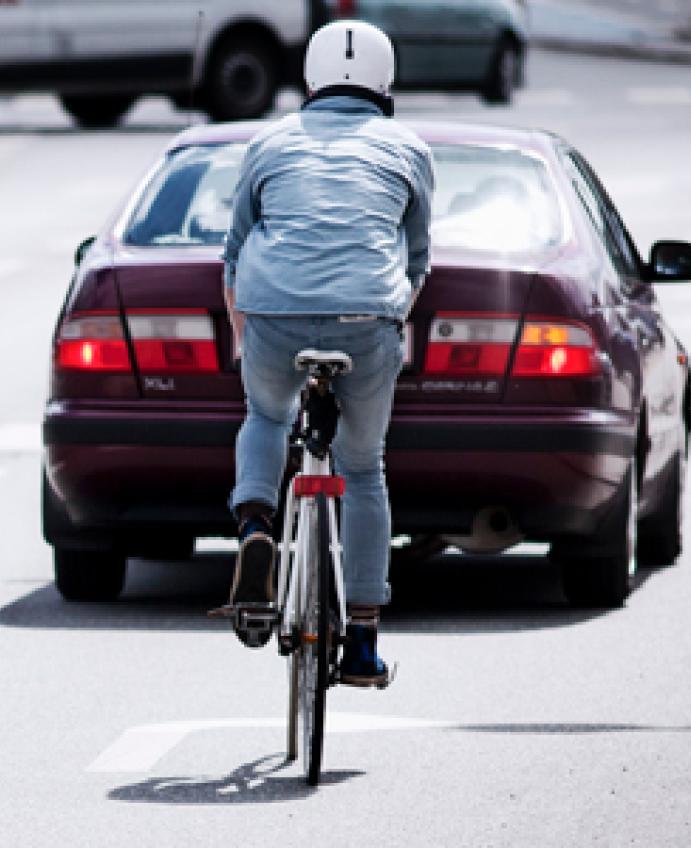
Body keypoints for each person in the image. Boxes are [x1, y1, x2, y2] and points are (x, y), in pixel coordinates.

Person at [221, 19, 434, 687]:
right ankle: (364, 637)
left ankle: (256, 521)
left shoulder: (268, 142)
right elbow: (419, 257)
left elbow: (232, 255)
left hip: (274, 310)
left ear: (308, 79)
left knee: (265, 415)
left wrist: (241, 337)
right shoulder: (407, 148)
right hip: (367, 315)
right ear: (385, 82)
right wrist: (391, 325)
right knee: (364, 471)